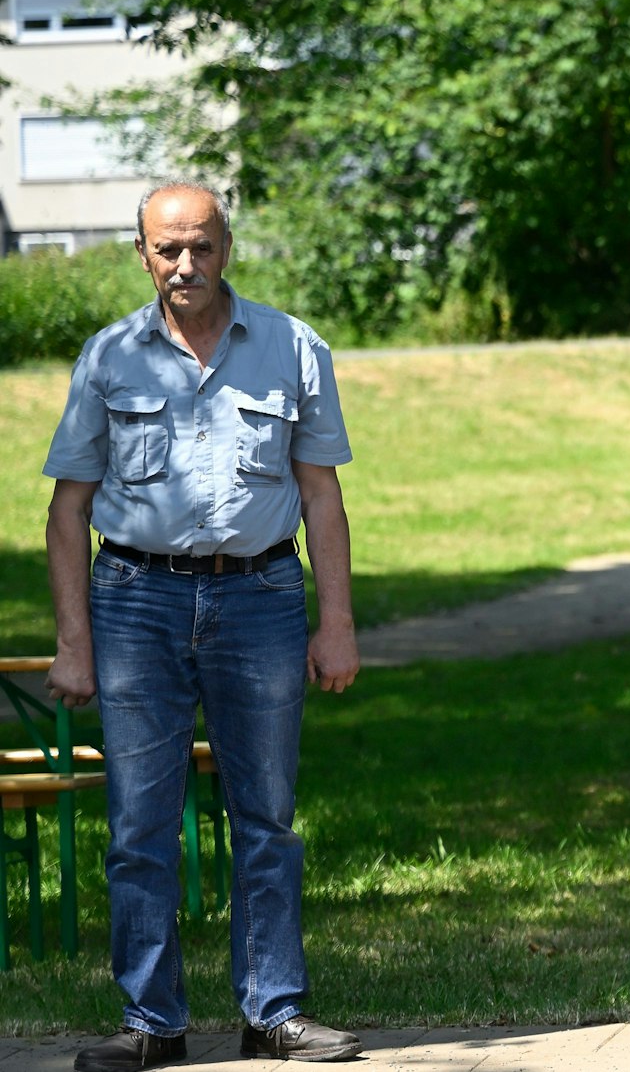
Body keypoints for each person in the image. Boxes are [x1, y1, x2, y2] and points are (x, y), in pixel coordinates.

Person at [42, 180, 364, 1071]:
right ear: (142, 254)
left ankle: (275, 1011)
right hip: (134, 602)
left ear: (228, 245)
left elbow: (321, 497)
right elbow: (67, 512)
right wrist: (74, 643)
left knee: (268, 818)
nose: (186, 264)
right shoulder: (109, 356)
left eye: (202, 245)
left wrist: (336, 621)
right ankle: (152, 1022)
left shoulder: (293, 347)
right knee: (138, 824)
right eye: (168, 249)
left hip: (260, 597)